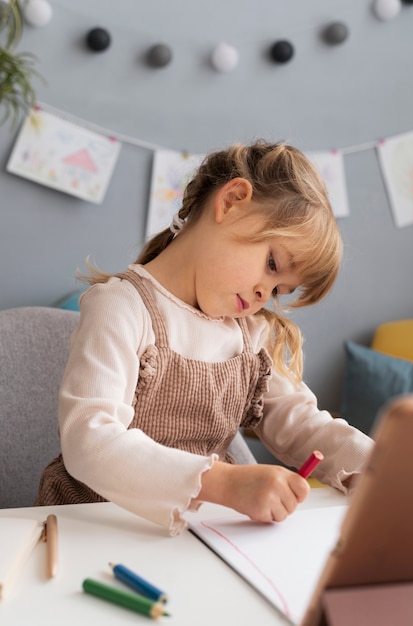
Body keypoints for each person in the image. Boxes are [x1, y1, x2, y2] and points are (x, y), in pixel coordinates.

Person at [36, 140, 373, 535]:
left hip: (200, 537)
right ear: (231, 201)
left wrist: (378, 467)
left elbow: (303, 425)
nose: (266, 293)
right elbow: (89, 442)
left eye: (280, 289)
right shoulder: (122, 307)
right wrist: (223, 483)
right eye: (271, 264)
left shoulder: (250, 335)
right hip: (96, 530)